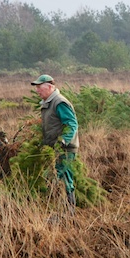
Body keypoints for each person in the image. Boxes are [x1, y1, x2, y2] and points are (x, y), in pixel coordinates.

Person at [31, 74, 80, 214]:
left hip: (64, 148)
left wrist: (63, 141)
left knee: (62, 176)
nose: (37, 91)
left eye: (40, 87)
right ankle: (61, 209)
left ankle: (69, 211)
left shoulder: (59, 102)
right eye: (37, 88)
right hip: (53, 148)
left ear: (50, 87)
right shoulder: (48, 103)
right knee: (59, 176)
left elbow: (71, 124)